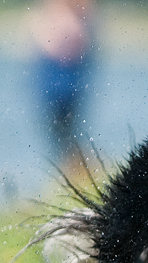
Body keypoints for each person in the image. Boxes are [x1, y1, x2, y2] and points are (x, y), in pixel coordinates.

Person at [27, 0, 94, 164]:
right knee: (63, 135)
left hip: (62, 90)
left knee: (63, 135)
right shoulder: (74, 20)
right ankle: (76, 169)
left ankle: (79, 170)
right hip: (60, 89)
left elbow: (64, 52)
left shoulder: (70, 22)